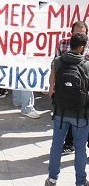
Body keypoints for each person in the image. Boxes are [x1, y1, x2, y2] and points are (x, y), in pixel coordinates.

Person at [45, 33, 89, 186]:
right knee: (80, 149)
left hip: (60, 112)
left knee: (56, 145)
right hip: (81, 115)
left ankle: (52, 178)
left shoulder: (58, 61)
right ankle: (81, 182)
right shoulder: (86, 65)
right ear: (82, 47)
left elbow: (51, 85)